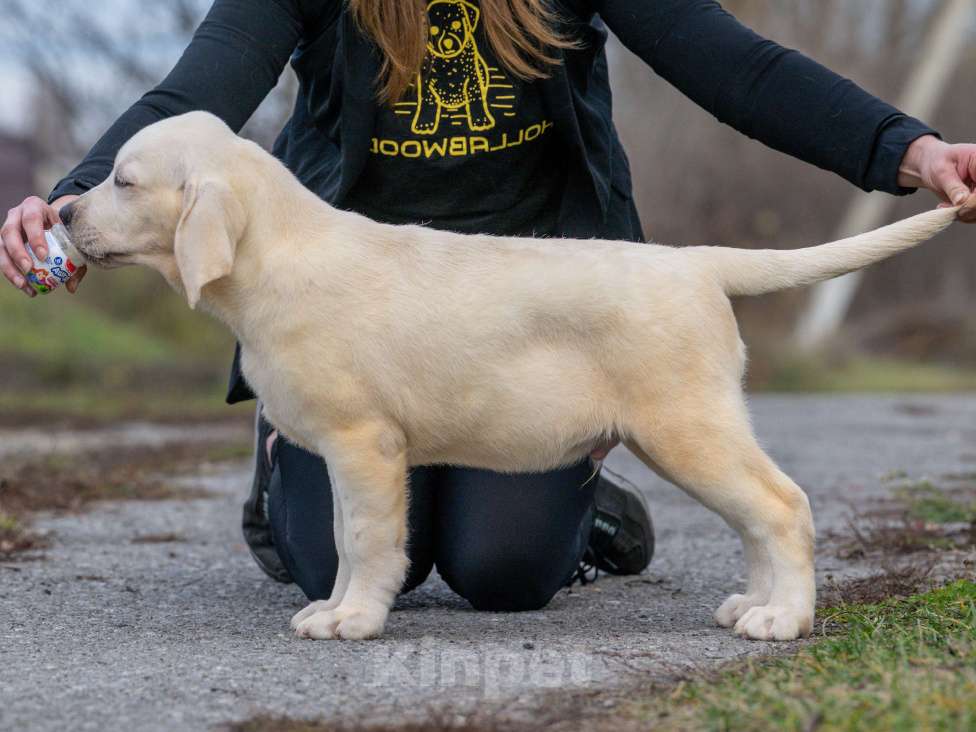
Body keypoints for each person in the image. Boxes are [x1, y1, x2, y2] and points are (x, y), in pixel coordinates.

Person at [3, 1, 975, 611]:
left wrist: (910, 148)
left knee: (502, 573)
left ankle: (579, 465)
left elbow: (738, 68)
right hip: (351, 307)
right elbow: (193, 96)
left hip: (540, 314)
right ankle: (289, 452)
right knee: (324, 558)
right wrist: (72, 200)